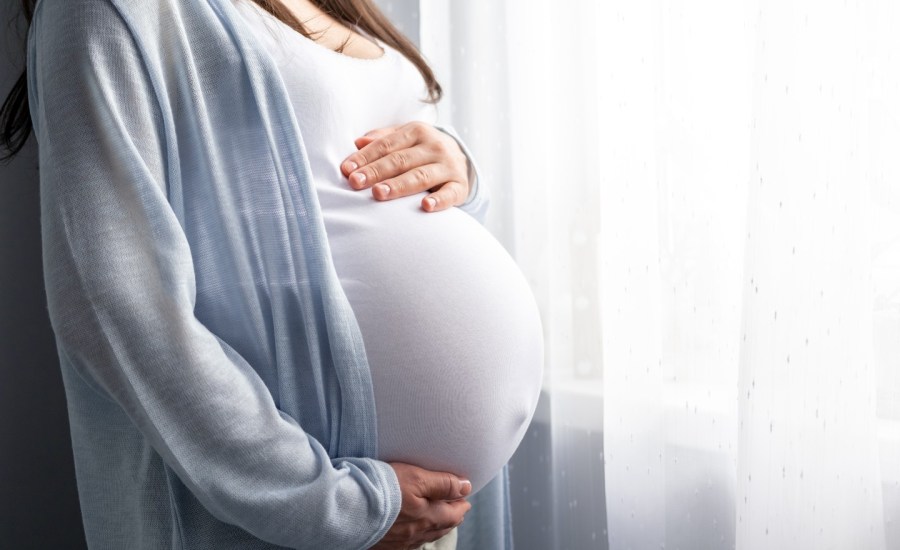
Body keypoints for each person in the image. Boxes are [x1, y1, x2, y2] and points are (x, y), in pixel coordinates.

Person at [0, 0, 544, 548]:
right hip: (296, 513)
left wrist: (456, 165)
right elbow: (115, 305)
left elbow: (359, 171)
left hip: (416, 515)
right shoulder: (106, 9)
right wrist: (333, 507)